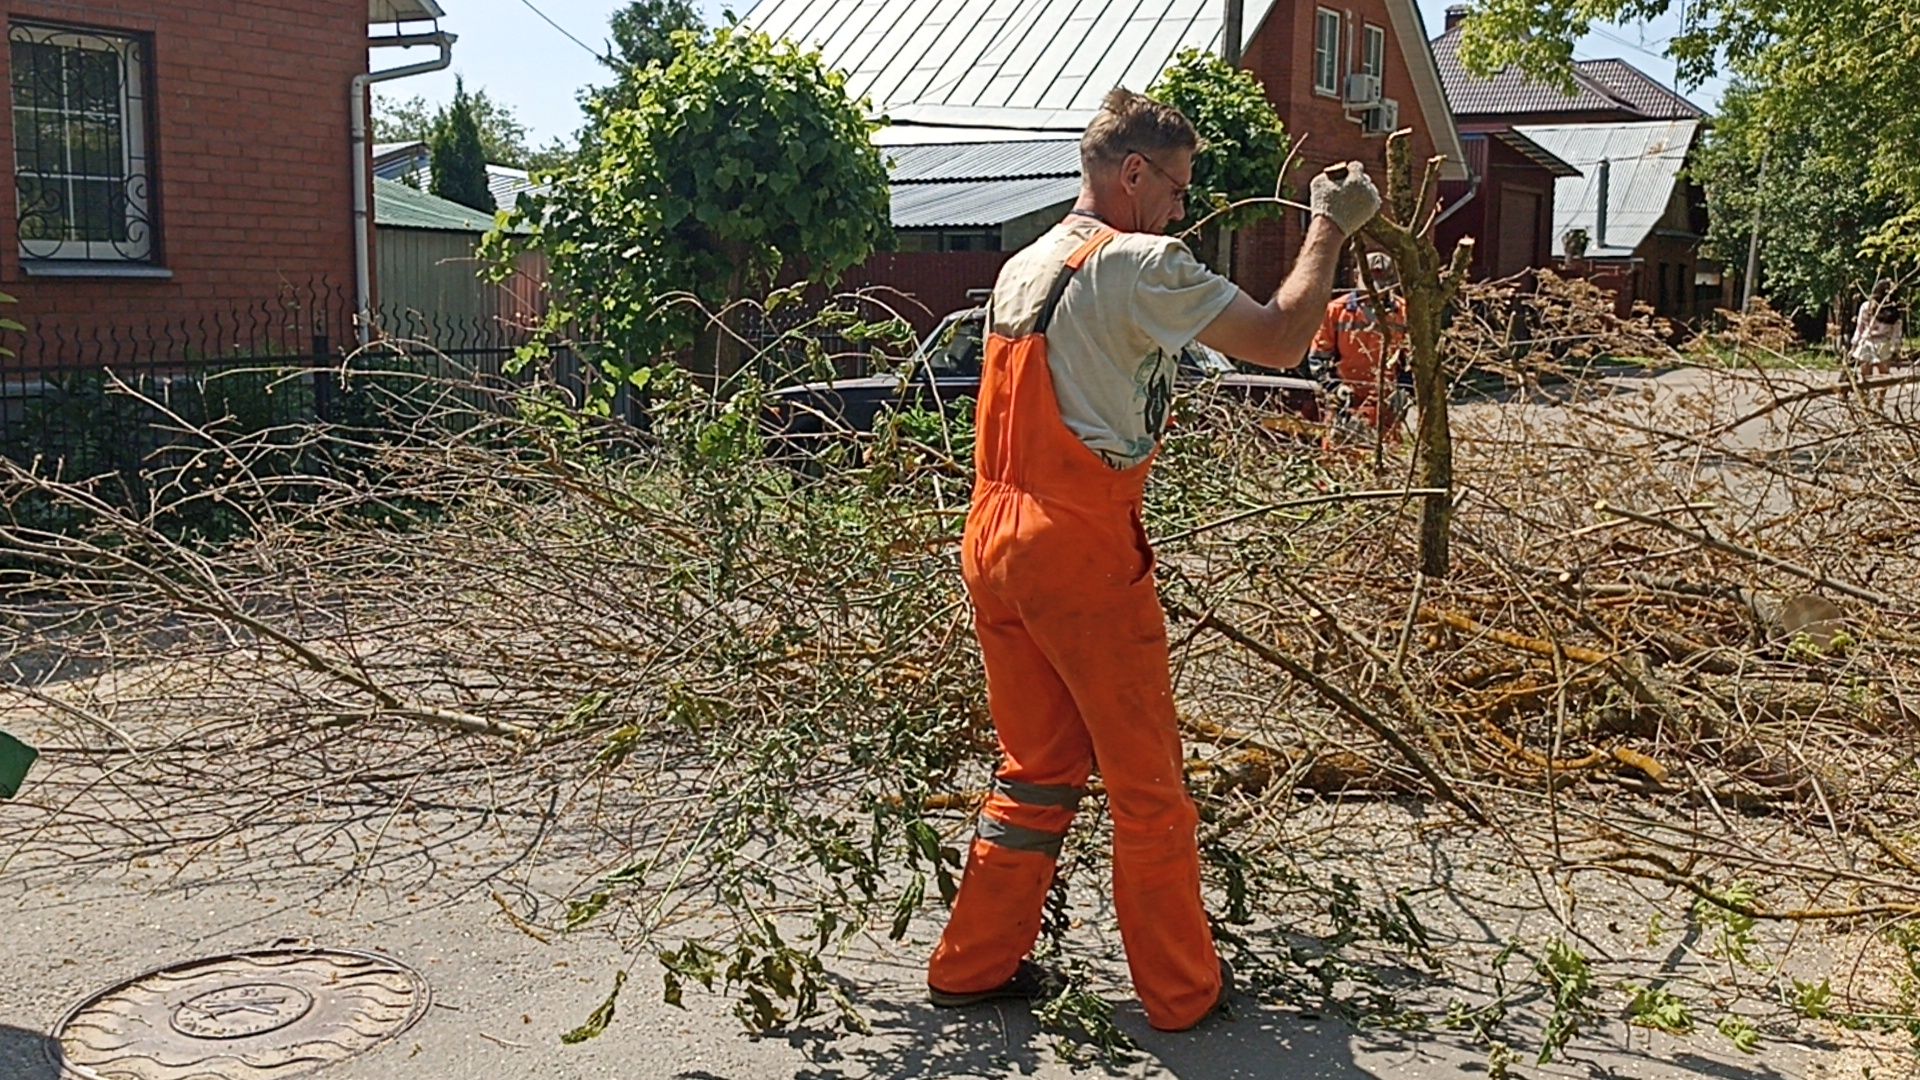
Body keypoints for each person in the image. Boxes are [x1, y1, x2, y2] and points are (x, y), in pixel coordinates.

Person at [924, 87, 1380, 1033]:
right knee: (1147, 784)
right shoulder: (1139, 263)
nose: (1182, 206)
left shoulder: (1023, 263)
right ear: (1132, 173)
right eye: (1176, 185)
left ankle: (972, 966)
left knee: (1037, 770)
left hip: (992, 540)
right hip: (1079, 547)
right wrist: (1329, 229)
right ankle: (1181, 995)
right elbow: (1284, 339)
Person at [1310, 251, 1409, 449]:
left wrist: (1405, 392)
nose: (1373, 295)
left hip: (1385, 402)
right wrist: (1336, 389)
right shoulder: (1336, 311)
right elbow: (1318, 359)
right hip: (1346, 402)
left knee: (1386, 463)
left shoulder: (1404, 311)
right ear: (1356, 277)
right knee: (1337, 459)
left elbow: (1413, 360)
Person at [1851, 281, 1905, 379]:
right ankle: (1865, 394)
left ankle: (1879, 395)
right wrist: (1855, 344)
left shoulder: (1894, 311)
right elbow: (1860, 327)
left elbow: (1896, 333)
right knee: (1865, 375)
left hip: (1883, 343)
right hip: (1867, 342)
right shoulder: (1866, 307)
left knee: (1884, 376)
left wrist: (1896, 350)